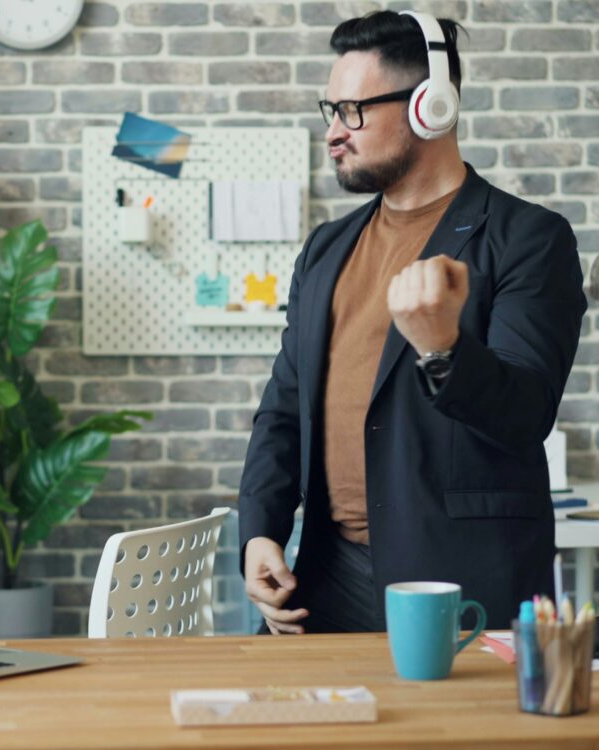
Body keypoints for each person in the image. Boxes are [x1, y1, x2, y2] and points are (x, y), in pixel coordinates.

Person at [238, 10, 586, 634]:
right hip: (322, 578)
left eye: (353, 111)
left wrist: (443, 348)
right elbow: (285, 407)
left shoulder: (529, 239)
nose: (333, 133)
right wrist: (260, 531)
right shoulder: (325, 248)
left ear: (430, 105)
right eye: (331, 111)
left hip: (456, 580)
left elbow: (525, 413)